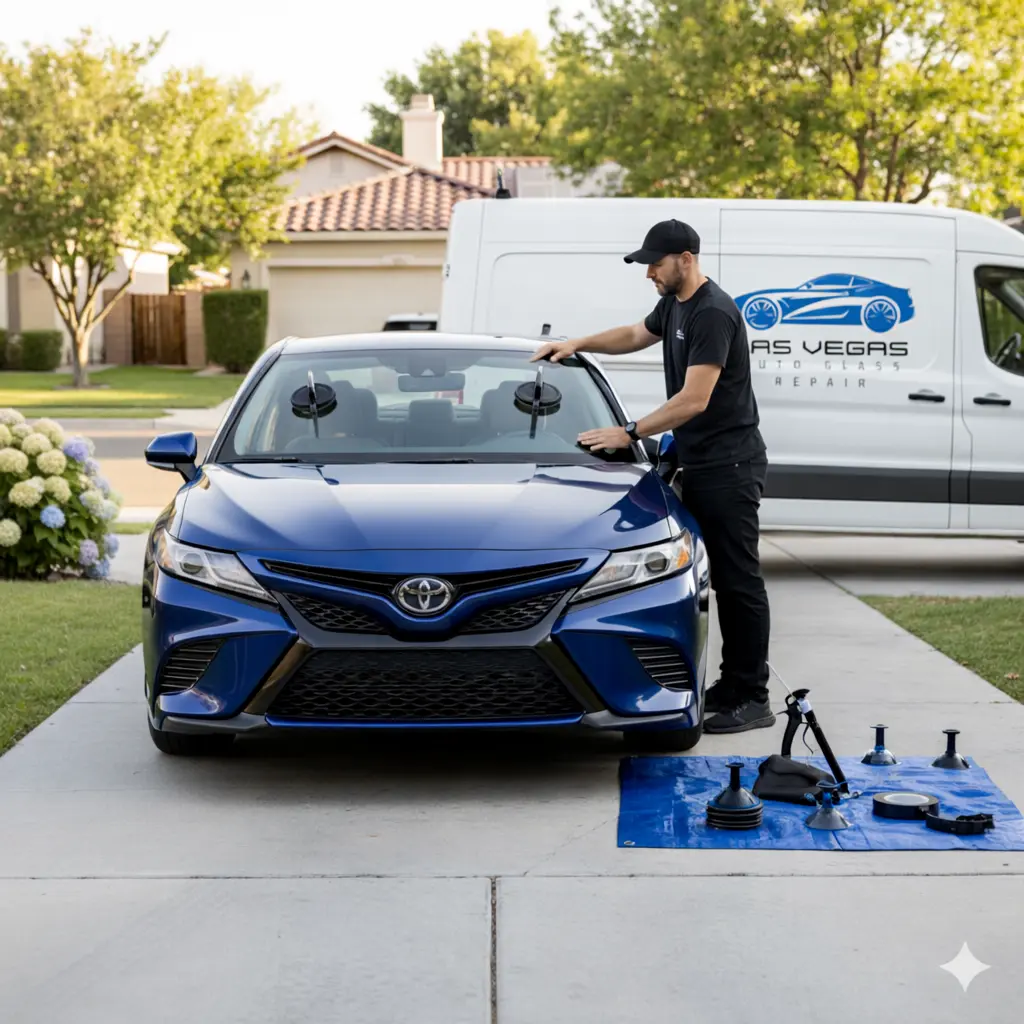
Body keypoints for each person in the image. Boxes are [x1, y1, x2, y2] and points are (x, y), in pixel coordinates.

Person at [530, 219, 773, 734]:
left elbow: (695, 399)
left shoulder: (713, 312)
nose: (648, 274)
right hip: (701, 462)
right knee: (714, 580)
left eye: (655, 264)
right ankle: (731, 685)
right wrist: (578, 344)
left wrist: (629, 431)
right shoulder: (676, 305)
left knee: (738, 581)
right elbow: (636, 334)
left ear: (686, 259)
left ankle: (753, 696)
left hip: (730, 466)